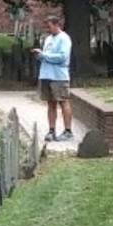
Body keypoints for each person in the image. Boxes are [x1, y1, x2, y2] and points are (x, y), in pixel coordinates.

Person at [34, 13, 73, 142]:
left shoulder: (64, 39)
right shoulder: (48, 39)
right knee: (50, 103)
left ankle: (68, 131)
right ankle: (51, 130)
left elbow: (62, 57)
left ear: (57, 25)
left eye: (49, 26)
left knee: (63, 101)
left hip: (59, 76)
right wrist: (40, 56)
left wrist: (44, 55)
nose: (47, 29)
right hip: (46, 75)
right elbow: (47, 55)